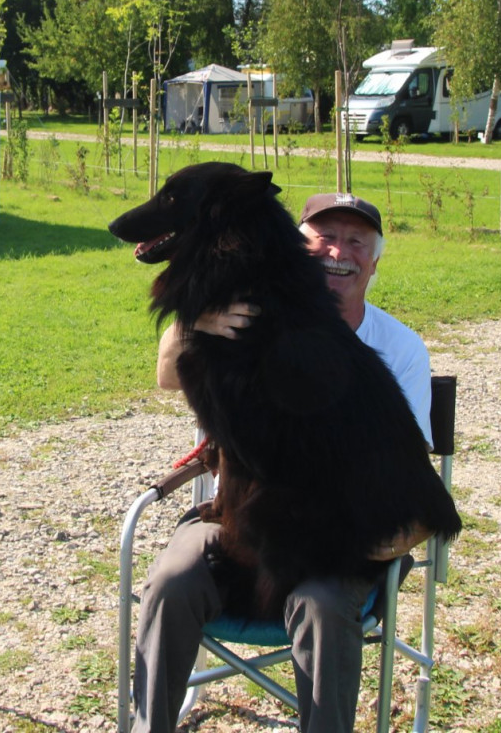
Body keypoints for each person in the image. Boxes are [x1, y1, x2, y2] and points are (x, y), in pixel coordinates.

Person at [135, 192, 432, 733]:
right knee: (171, 579)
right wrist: (196, 320)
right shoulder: (249, 310)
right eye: (324, 237)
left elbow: (409, 474)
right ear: (295, 246)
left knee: (322, 603)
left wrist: (396, 537)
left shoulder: (400, 349)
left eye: (355, 241)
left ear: (375, 258)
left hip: (336, 540)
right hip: (235, 524)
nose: (338, 252)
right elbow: (167, 372)